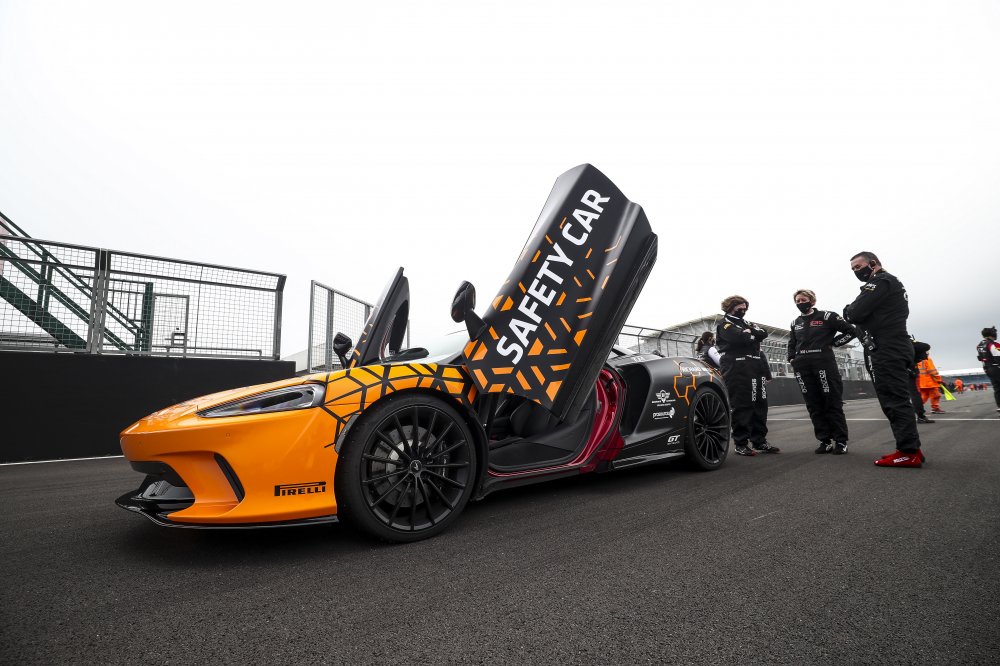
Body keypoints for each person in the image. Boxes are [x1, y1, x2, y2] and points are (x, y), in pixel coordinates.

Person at [843, 251, 924, 468]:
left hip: (888, 347)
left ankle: (908, 452)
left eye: (858, 266)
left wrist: (849, 310)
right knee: (894, 399)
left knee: (894, 400)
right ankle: (911, 449)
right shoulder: (887, 283)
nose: (856, 271)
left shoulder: (881, 281)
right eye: (853, 269)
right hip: (891, 345)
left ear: (873, 263)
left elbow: (854, 313)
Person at [787, 289, 856, 454]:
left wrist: (833, 343)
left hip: (824, 364)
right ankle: (824, 440)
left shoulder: (827, 316)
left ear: (812, 301)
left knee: (832, 402)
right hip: (802, 367)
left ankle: (841, 441)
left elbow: (851, 331)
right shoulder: (795, 322)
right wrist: (792, 358)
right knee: (813, 405)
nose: (800, 303)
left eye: (803, 299)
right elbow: (792, 343)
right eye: (797, 301)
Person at [716, 295, 779, 456]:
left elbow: (763, 333)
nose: (743, 311)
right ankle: (741, 443)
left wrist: (750, 332)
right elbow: (739, 337)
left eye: (745, 308)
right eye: (740, 308)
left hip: (755, 365)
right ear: (730, 307)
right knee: (742, 404)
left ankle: (759, 441)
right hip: (736, 366)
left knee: (760, 404)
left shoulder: (747, 323)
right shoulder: (724, 324)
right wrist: (751, 335)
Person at [910, 339, 935, 424]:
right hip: (909, 371)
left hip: (900, 371)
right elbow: (926, 346)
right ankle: (920, 416)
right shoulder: (907, 343)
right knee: (915, 394)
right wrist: (914, 342)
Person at [916, 346, 945, 414]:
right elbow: (932, 371)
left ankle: (915, 408)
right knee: (936, 395)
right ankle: (935, 408)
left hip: (921, 383)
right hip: (930, 382)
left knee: (923, 397)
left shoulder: (917, 360)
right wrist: (939, 379)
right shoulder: (927, 359)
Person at [977, 326, 1000, 412]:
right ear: (992, 334)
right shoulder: (991, 344)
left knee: (997, 389)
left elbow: (981, 358)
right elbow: (998, 356)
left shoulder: (979, 345)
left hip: (987, 368)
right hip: (996, 367)